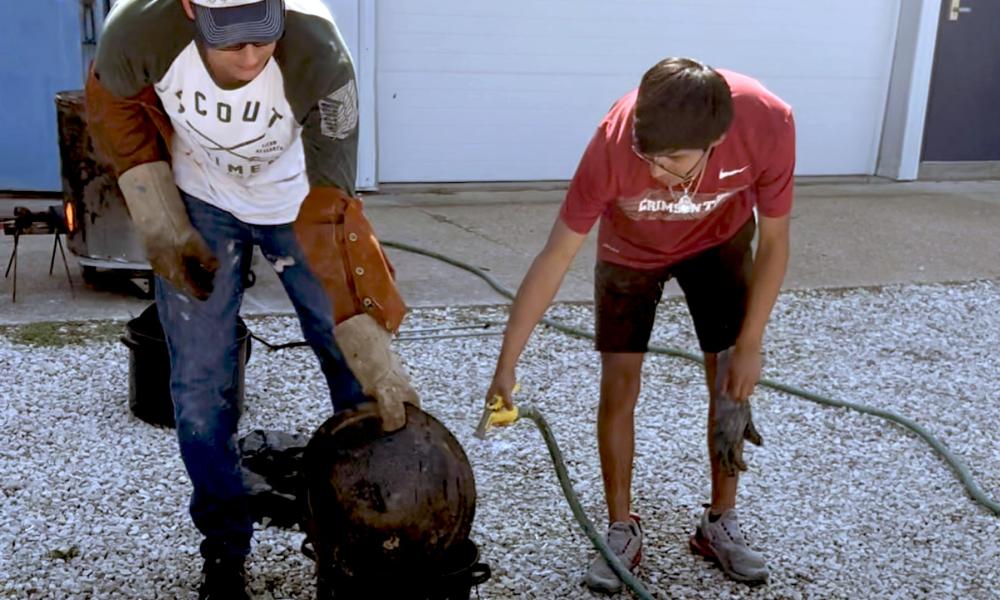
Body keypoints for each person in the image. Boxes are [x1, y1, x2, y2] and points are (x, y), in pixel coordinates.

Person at [85, 0, 418, 597]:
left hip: (299, 203)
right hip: (202, 200)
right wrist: (158, 213)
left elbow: (334, 203)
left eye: (262, 37)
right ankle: (223, 548)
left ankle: (360, 544)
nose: (249, 55)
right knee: (199, 388)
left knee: (353, 367)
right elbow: (112, 104)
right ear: (190, 9)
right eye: (230, 39)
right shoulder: (137, 31)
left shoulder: (320, 52)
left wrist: (363, 326)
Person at [485, 57, 795, 591]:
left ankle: (719, 522)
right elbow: (554, 258)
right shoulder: (612, 143)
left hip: (719, 242)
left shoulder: (769, 122)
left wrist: (751, 344)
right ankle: (621, 529)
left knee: (728, 386)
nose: (654, 172)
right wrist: (506, 365)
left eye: (672, 160)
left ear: (717, 139)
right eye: (646, 157)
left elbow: (776, 241)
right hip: (629, 248)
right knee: (620, 381)